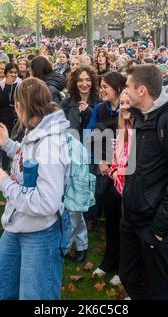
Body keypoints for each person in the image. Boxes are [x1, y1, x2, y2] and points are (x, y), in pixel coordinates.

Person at [0, 77, 71, 300]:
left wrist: (5, 184)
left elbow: (46, 202)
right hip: (17, 224)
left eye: (16, 105)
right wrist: (9, 145)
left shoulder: (50, 143)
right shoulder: (38, 131)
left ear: (22, 106)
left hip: (41, 232)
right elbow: (31, 161)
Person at [120, 64, 168, 300]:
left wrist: (160, 228)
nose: (125, 91)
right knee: (129, 276)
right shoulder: (140, 116)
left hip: (155, 224)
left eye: (128, 86)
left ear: (141, 90)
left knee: (159, 291)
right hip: (131, 218)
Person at [86, 72, 126, 285]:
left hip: (125, 172)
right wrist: (100, 159)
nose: (101, 90)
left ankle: (122, 267)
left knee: (123, 222)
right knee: (110, 219)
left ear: (118, 88)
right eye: (101, 86)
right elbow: (90, 134)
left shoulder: (128, 108)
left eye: (105, 86)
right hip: (106, 170)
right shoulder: (100, 109)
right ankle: (108, 262)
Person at [61, 65, 100, 263]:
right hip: (69, 157)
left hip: (91, 157)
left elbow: (102, 128)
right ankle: (79, 244)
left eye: (87, 80)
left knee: (76, 204)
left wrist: (89, 113)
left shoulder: (99, 102)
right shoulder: (67, 103)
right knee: (72, 203)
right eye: (80, 80)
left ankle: (68, 245)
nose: (84, 84)